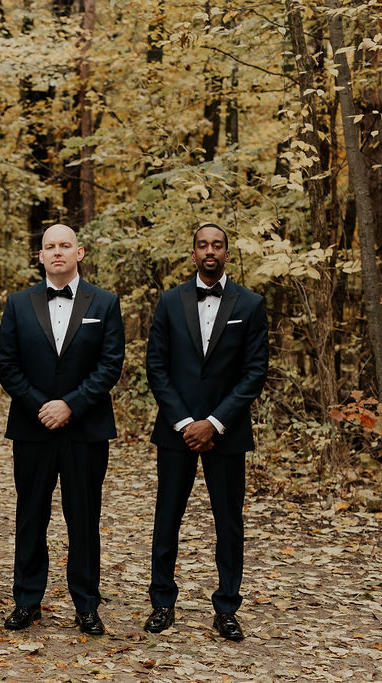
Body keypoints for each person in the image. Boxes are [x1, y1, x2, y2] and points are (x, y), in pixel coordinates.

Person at [0, 224, 125, 635]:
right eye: (49, 246)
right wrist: (42, 406)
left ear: (80, 252)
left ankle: (86, 604)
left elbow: (110, 364)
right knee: (30, 516)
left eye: (65, 246)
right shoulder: (18, 303)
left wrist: (71, 405)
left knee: (83, 518)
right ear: (40, 255)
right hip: (33, 429)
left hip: (85, 429)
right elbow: (7, 365)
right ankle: (27, 602)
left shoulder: (104, 302)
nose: (57, 252)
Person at [143, 223, 269, 641]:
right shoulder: (169, 301)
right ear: (193, 253)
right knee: (167, 518)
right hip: (175, 430)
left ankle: (227, 607)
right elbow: (156, 367)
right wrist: (184, 422)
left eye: (217, 245)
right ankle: (162, 602)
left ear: (227, 254)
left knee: (228, 522)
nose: (209, 251)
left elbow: (254, 373)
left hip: (226, 431)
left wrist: (213, 422)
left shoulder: (251, 304)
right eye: (202, 245)